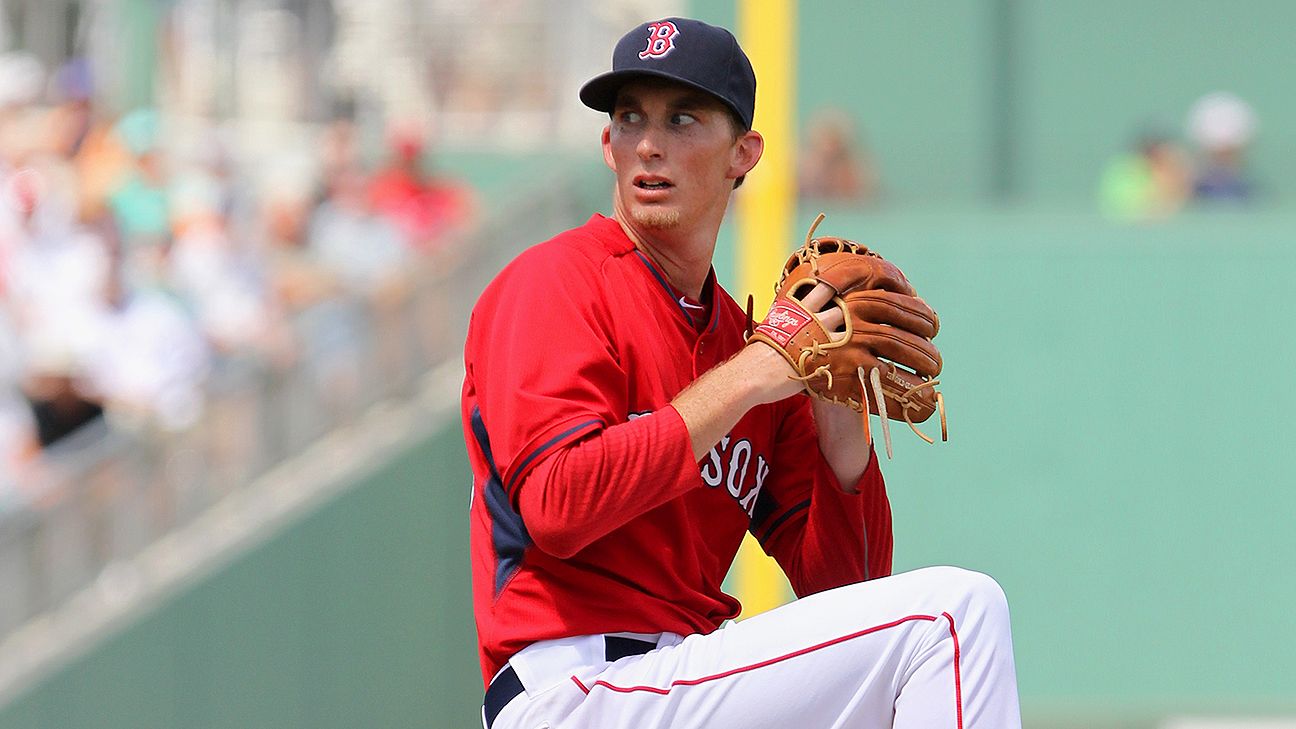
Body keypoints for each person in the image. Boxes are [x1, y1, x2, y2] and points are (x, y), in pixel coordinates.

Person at [461, 17, 1021, 729]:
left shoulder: (753, 345)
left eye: (682, 118)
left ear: (743, 153)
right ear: (607, 145)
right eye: (630, 118)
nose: (650, 144)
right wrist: (753, 374)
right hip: (574, 689)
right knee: (954, 614)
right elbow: (558, 507)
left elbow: (846, 590)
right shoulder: (555, 283)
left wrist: (835, 405)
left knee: (918, 658)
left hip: (684, 684)